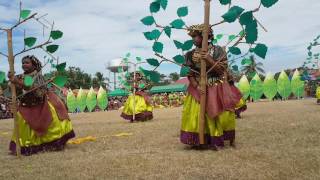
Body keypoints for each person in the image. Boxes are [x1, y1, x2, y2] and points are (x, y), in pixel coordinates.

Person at [180, 24, 241, 150]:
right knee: (196, 114)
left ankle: (219, 138)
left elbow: (221, 70)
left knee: (222, 114)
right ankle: (200, 140)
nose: (193, 39)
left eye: (196, 36)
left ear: (205, 36)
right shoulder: (190, 54)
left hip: (216, 86)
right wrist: (196, 86)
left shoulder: (218, 51)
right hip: (199, 88)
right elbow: (189, 74)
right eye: (193, 36)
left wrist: (208, 59)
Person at [8, 55, 75, 155]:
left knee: (50, 122)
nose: (24, 65)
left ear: (34, 65)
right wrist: (11, 81)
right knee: (22, 122)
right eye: (23, 63)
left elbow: (32, 88)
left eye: (27, 62)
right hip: (26, 105)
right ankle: (26, 146)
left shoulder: (38, 76)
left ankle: (51, 144)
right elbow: (15, 90)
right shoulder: (20, 76)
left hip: (41, 104)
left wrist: (16, 81)